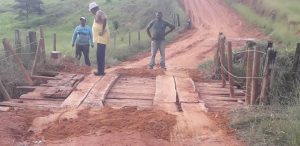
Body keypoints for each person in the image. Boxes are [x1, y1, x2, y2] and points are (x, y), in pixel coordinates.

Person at [89, 2, 110, 76]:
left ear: (93, 9)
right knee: (100, 54)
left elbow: (105, 18)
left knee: (100, 54)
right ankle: (101, 71)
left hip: (102, 37)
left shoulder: (99, 12)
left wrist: (102, 30)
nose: (91, 12)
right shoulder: (98, 13)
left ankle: (100, 72)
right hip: (100, 38)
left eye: (91, 10)